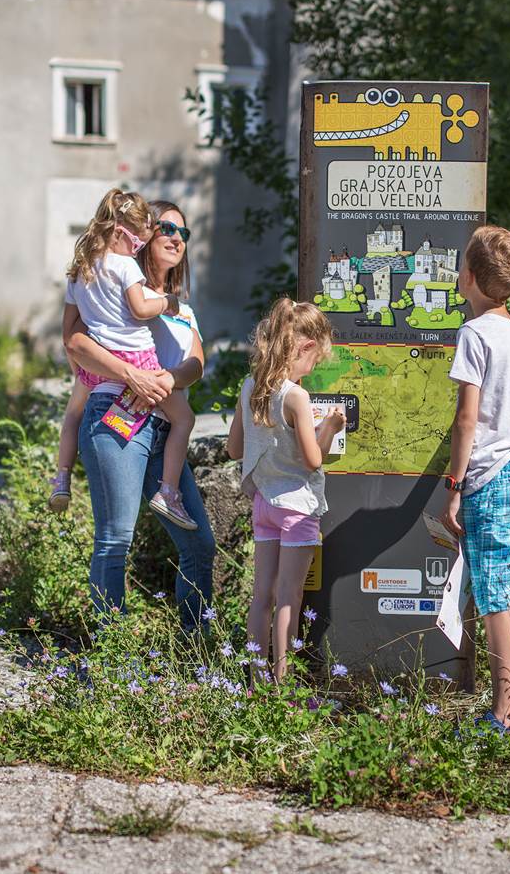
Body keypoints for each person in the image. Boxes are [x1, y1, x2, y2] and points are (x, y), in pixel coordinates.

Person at [63, 199, 215, 632]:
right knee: (114, 540)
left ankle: (197, 649)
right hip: (117, 416)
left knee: (200, 546)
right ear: (143, 235)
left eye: (183, 233)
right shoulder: (107, 281)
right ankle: (113, 660)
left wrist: (166, 379)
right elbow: (74, 344)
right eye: (166, 227)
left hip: (165, 428)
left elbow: (197, 365)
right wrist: (134, 375)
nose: (175, 237)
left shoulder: (181, 307)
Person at [437, 225, 510, 734]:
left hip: (489, 478)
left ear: (471, 277)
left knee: (495, 597)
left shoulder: (474, 333)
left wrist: (454, 486)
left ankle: (499, 712)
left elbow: (466, 420)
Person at [51, 189, 197, 530]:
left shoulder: (80, 271)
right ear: (119, 232)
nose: (139, 248)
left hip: (100, 366)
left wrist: (81, 364)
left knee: (72, 414)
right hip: (137, 359)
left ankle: (61, 477)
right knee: (185, 419)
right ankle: (169, 492)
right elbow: (140, 308)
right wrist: (169, 304)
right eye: (137, 241)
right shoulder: (125, 266)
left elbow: (68, 334)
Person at [225, 299, 343, 682]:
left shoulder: (250, 386)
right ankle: (284, 685)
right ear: (305, 347)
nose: (314, 369)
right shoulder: (297, 397)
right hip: (297, 506)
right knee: (290, 599)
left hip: (264, 503)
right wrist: (330, 428)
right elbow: (313, 459)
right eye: (315, 360)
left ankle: (257, 681)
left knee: (262, 596)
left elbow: (234, 449)